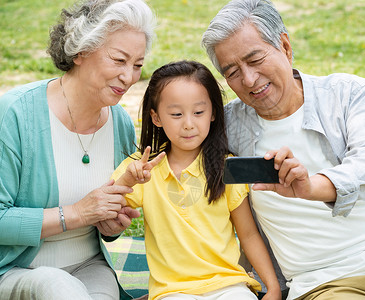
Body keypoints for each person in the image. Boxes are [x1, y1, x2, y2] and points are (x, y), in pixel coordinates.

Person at [201, 0, 365, 299]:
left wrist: (311, 186)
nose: (249, 79)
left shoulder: (347, 94)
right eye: (232, 72)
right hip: (320, 282)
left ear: (285, 46)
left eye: (254, 60)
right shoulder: (223, 127)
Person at [0, 0, 156, 299]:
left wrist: (110, 225)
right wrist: (76, 213)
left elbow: (106, 226)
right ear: (81, 51)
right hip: (17, 271)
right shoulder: (16, 114)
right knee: (56, 286)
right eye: (119, 60)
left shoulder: (119, 121)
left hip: (89, 267)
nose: (129, 77)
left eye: (137, 65)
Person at [111, 60, 281, 300]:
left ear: (212, 113)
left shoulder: (226, 167)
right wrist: (128, 180)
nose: (189, 124)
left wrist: (272, 287)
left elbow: (248, 234)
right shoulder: (141, 168)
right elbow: (109, 206)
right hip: (173, 291)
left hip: (228, 285)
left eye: (199, 112)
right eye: (176, 114)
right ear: (156, 117)